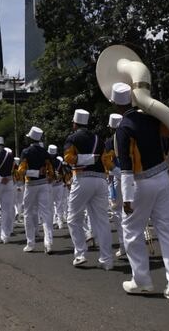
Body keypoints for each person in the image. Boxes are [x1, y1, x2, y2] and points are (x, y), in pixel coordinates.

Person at [111, 81, 169, 304]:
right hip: (162, 177)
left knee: (132, 230)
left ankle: (142, 280)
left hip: (141, 183)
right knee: (168, 232)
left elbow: (125, 165)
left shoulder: (123, 127)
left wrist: (128, 197)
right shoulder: (151, 118)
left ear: (116, 104)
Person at [63, 109, 114, 269]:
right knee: (102, 221)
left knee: (73, 219)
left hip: (82, 178)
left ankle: (80, 254)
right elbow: (106, 160)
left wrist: (87, 158)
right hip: (101, 180)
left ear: (75, 123)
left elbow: (68, 158)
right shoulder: (99, 139)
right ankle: (107, 260)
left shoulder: (72, 138)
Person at [17, 126, 54, 253]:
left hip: (31, 185)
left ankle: (30, 243)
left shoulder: (26, 152)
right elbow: (51, 171)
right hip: (44, 184)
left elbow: (21, 171)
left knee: (28, 213)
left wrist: (35, 173)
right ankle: (48, 243)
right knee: (46, 213)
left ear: (30, 139)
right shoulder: (45, 152)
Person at [102, 113, 126, 258]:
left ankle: (124, 245)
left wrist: (115, 172)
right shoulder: (131, 135)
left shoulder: (110, 141)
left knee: (117, 210)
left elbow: (107, 161)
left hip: (118, 177)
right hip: (134, 175)